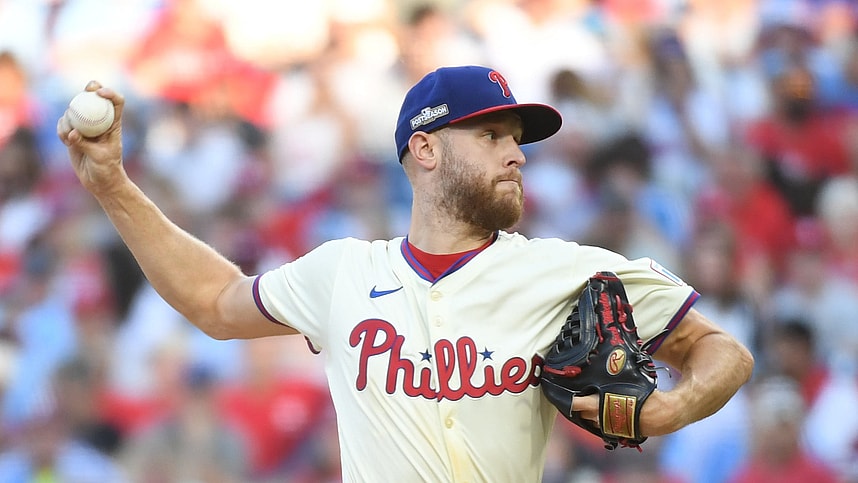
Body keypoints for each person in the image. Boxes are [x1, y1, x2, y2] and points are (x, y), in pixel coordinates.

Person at [57, 65, 754, 482]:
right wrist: (114, 184)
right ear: (424, 148)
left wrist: (671, 408)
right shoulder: (343, 272)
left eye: (517, 139)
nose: (515, 154)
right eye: (492, 136)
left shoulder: (569, 271)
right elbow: (213, 299)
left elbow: (724, 350)